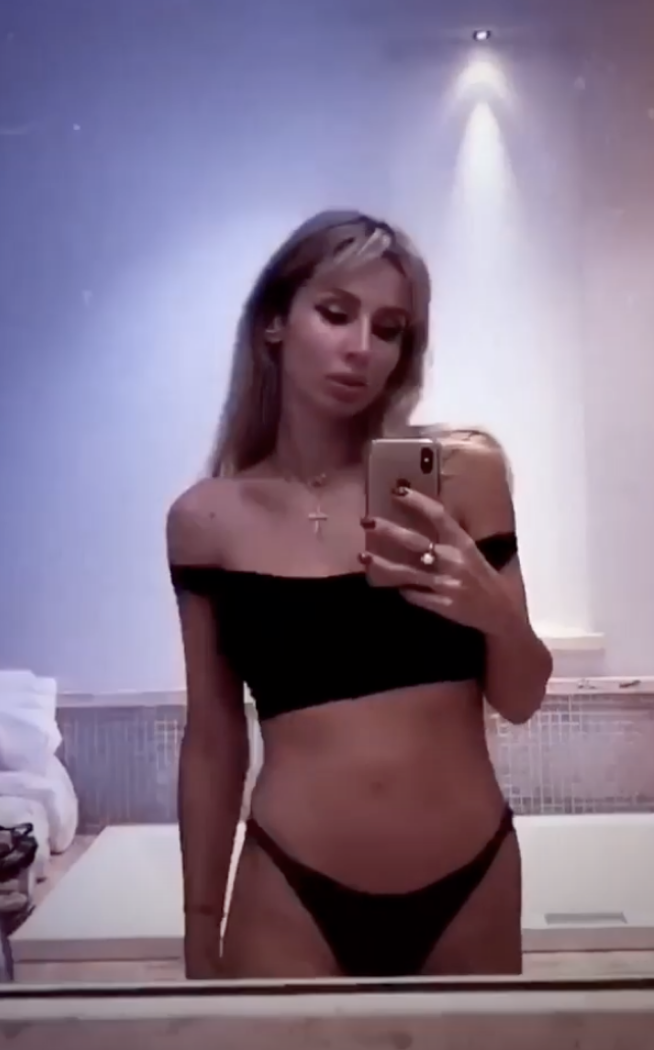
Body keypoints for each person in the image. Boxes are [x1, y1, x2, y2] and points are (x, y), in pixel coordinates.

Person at [168, 210, 552, 980]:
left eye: (390, 328)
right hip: (291, 889)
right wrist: (200, 923)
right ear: (275, 322)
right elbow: (213, 737)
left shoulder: (464, 474)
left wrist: (495, 615)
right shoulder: (207, 520)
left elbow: (521, 698)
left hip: (469, 880)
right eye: (336, 313)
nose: (362, 347)